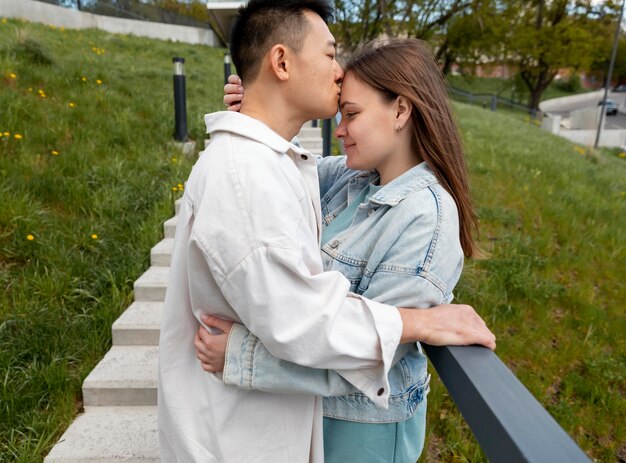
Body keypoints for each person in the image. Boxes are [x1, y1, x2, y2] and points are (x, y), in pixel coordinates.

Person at [158, 1, 495, 461]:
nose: (339, 128)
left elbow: (367, 356)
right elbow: (301, 315)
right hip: (293, 419)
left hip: (361, 423)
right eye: (329, 55)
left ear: (401, 112)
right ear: (281, 61)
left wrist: (243, 358)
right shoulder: (328, 178)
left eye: (351, 114)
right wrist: (257, 114)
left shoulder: (423, 214)